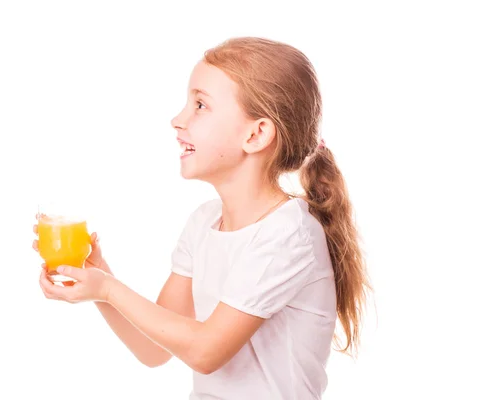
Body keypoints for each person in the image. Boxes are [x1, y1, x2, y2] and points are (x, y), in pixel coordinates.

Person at [32, 36, 370, 400]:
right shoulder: (205, 222)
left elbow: (206, 352)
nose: (178, 119)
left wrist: (108, 288)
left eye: (200, 105)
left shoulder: (289, 234)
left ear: (256, 134)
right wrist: (100, 280)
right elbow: (154, 349)